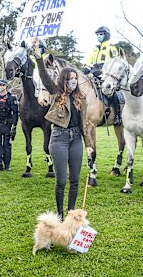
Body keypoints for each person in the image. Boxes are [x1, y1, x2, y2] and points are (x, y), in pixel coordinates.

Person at [31, 39, 94, 220]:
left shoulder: (81, 98)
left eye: (75, 79)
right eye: (70, 79)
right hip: (59, 139)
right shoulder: (56, 93)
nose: (74, 82)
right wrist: (38, 56)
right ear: (64, 80)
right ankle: (59, 215)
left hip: (76, 140)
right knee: (62, 181)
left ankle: (70, 213)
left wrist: (88, 144)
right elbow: (43, 75)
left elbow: (84, 124)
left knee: (75, 180)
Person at [81, 25, 122, 125]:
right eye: (98, 34)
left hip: (107, 75)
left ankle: (118, 115)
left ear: (106, 35)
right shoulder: (95, 49)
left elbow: (115, 63)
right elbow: (89, 63)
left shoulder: (111, 48)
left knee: (114, 92)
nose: (99, 36)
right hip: (94, 74)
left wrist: (103, 72)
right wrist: (84, 70)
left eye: (101, 34)